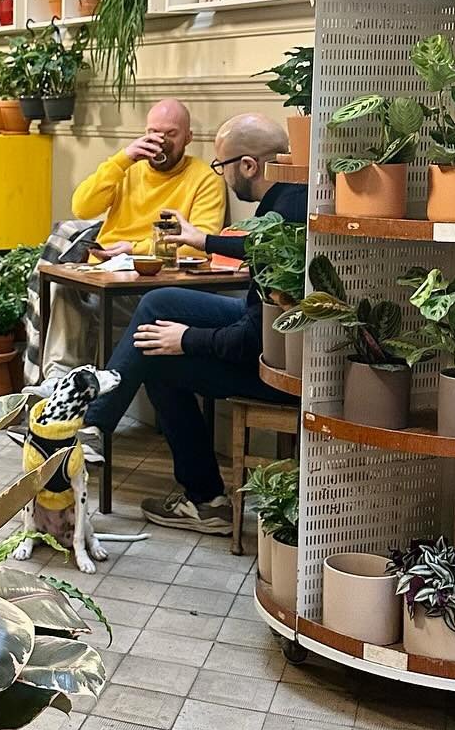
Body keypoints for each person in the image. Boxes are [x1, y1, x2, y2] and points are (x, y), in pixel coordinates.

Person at [82, 112, 307, 533]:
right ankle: (95, 425)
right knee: (160, 301)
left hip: (280, 369)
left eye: (223, 165)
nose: (222, 174)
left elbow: (252, 341)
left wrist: (188, 339)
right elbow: (257, 252)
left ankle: (204, 499)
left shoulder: (284, 217)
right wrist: (201, 239)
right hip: (270, 338)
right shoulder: (292, 197)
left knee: (157, 356)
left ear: (248, 166)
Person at [71, 98, 226, 256]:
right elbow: (82, 209)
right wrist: (122, 160)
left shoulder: (205, 178)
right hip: (106, 262)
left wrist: (136, 250)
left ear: (188, 138)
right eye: (153, 132)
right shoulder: (125, 167)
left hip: (159, 267)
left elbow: (201, 245)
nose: (161, 142)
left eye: (171, 134)